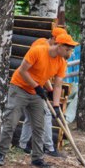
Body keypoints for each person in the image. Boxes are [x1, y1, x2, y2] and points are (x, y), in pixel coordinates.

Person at [0, 30, 77, 168]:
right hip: (19, 88)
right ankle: (0, 154)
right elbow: (22, 71)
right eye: (67, 49)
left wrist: (56, 105)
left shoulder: (61, 63)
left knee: (39, 126)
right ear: (59, 46)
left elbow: (57, 85)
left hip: (35, 94)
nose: (69, 53)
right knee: (11, 122)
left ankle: (37, 159)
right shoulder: (38, 51)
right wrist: (36, 86)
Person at [19, 28, 68, 158]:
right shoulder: (41, 46)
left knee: (30, 118)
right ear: (54, 40)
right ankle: (49, 148)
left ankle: (23, 145)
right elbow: (34, 71)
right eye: (60, 43)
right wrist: (41, 88)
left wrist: (50, 90)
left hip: (35, 86)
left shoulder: (47, 48)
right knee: (46, 115)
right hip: (29, 86)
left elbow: (43, 74)